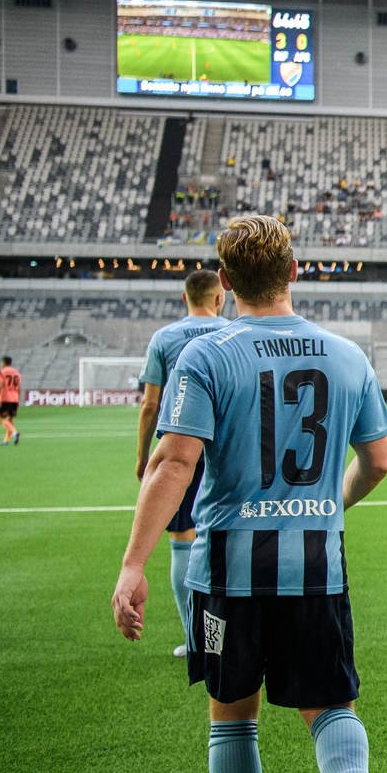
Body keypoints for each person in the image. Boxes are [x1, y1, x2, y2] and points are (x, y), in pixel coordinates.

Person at [109, 215, 387, 773]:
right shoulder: (346, 355)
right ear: (294, 272)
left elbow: (173, 462)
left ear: (227, 282)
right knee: (331, 705)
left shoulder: (206, 356)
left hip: (227, 575)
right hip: (316, 569)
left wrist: (133, 564)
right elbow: (380, 461)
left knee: (231, 717)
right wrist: (334, 505)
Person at [136, 269, 230, 659]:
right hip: (225, 448)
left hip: (180, 445)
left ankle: (196, 639)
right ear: (219, 297)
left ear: (184, 297)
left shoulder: (165, 338)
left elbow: (150, 405)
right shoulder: (234, 332)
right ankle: (229, 638)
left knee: (181, 541)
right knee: (227, 541)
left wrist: (144, 458)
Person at [0, 356, 21, 445]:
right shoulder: (17, 373)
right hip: (15, 398)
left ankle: (15, 432)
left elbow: (0, 385)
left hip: (5, 398)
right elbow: (19, 388)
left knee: (1, 419)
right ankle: (6, 440)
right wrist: (18, 399)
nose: (1, 364)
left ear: (4, 362)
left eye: (1, 362)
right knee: (10, 420)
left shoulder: (2, 372)